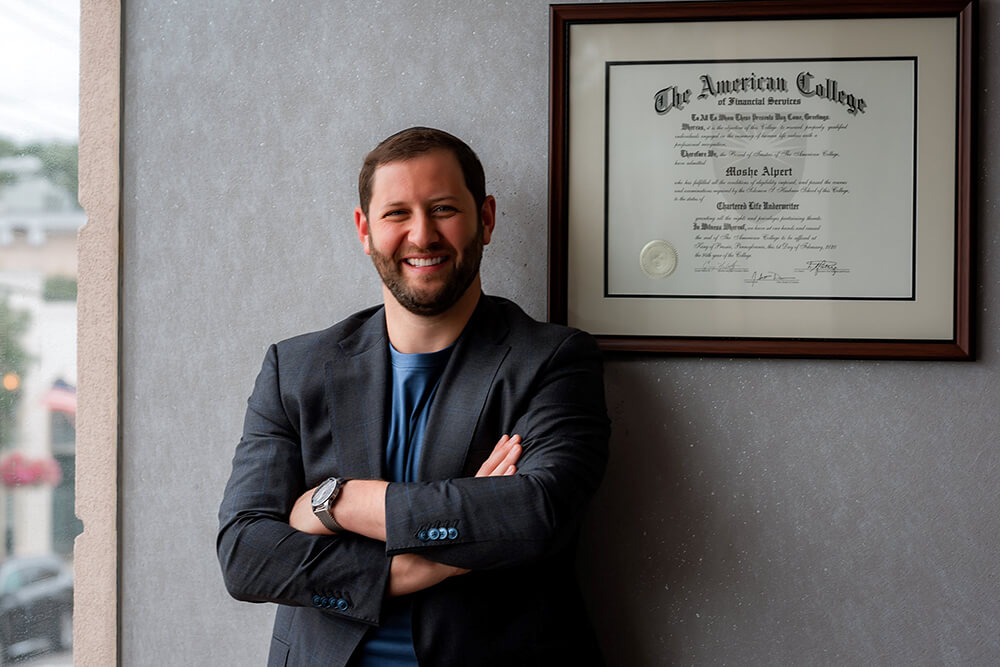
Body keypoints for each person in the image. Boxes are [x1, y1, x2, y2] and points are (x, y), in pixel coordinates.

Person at [217, 127, 610, 666]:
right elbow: (245, 555)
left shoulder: (553, 360)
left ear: (486, 218)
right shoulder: (294, 368)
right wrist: (433, 560)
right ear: (364, 229)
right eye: (396, 213)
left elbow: (535, 513)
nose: (422, 235)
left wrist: (337, 501)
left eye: (444, 208)